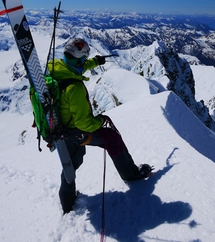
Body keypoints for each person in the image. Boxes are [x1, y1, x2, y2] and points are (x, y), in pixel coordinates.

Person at [48, 38, 152, 214]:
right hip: (76, 130)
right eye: (84, 59)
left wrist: (95, 62)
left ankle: (67, 202)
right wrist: (101, 121)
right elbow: (84, 123)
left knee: (71, 163)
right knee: (112, 138)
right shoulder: (75, 88)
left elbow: (77, 66)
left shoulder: (57, 68)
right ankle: (131, 174)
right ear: (79, 59)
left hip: (62, 129)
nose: (83, 62)